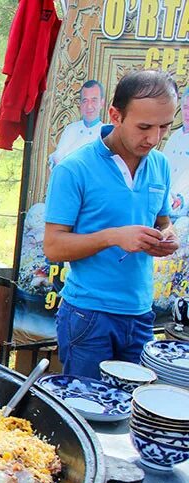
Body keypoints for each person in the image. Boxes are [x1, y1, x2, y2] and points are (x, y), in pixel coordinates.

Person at [43, 70, 180, 379]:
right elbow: (53, 246)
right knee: (88, 410)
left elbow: (163, 220)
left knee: (134, 410)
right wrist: (113, 237)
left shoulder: (159, 165)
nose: (154, 138)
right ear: (115, 115)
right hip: (89, 314)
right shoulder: (74, 169)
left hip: (141, 314)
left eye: (164, 127)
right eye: (144, 127)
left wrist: (167, 236)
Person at [48, 80, 106, 168]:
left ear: (102, 103)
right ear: (80, 104)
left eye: (94, 100)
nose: (89, 106)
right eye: (85, 101)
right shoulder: (70, 129)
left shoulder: (105, 134)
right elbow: (57, 159)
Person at [162, 86, 189, 216]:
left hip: (183, 211)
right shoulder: (174, 137)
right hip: (164, 203)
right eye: (185, 107)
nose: (188, 113)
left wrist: (183, 200)